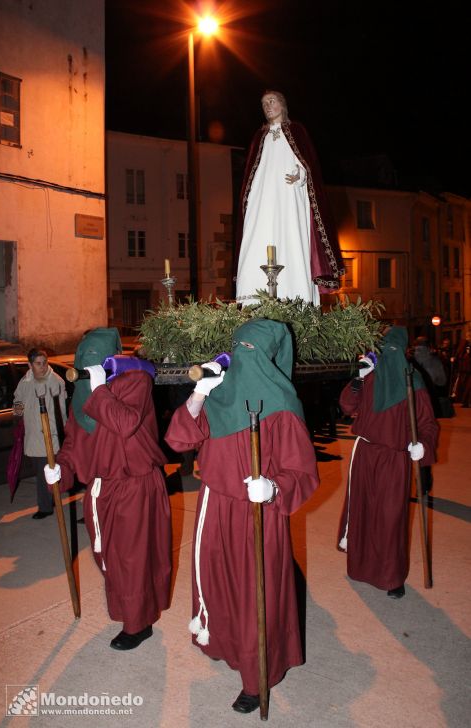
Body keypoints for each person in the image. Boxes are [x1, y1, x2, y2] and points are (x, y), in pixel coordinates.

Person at [165, 318, 320, 713]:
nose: (242, 358)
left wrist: (274, 488)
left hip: (258, 513)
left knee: (257, 592)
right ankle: (225, 643)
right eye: (239, 348)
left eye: (251, 351)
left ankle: (256, 678)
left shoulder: (284, 407)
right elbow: (179, 439)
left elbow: (302, 472)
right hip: (214, 506)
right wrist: (198, 396)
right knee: (219, 582)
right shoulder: (220, 393)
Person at [44, 328, 172, 650]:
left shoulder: (136, 382)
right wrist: (61, 468)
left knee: (131, 560)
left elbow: (126, 423)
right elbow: (74, 443)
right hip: (101, 489)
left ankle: (137, 623)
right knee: (109, 559)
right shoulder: (84, 393)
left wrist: (101, 390)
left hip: (135, 485)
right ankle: (136, 611)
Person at [337, 327, 439, 598]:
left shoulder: (413, 381)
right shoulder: (369, 377)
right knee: (362, 512)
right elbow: (346, 406)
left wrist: (423, 446)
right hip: (364, 454)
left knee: (390, 517)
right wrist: (357, 380)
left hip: (394, 458)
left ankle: (392, 576)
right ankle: (359, 566)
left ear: (403, 352)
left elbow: (427, 424)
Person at [235, 90, 343, 305]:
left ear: (282, 105)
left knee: (291, 236)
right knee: (258, 234)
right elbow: (251, 172)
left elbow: (308, 166)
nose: (267, 106)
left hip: (289, 196)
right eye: (264, 103)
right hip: (262, 200)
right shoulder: (260, 137)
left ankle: (295, 294)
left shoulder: (297, 131)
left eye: (272, 101)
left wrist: (300, 175)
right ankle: (253, 296)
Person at [13, 348, 67, 519]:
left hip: (50, 436)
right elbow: (17, 401)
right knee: (42, 472)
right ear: (30, 365)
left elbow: (62, 412)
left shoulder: (55, 381)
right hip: (33, 437)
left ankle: (45, 507)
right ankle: (50, 500)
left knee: (45, 473)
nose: (43, 367)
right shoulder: (25, 381)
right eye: (38, 364)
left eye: (45, 362)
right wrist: (18, 409)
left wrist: (62, 434)